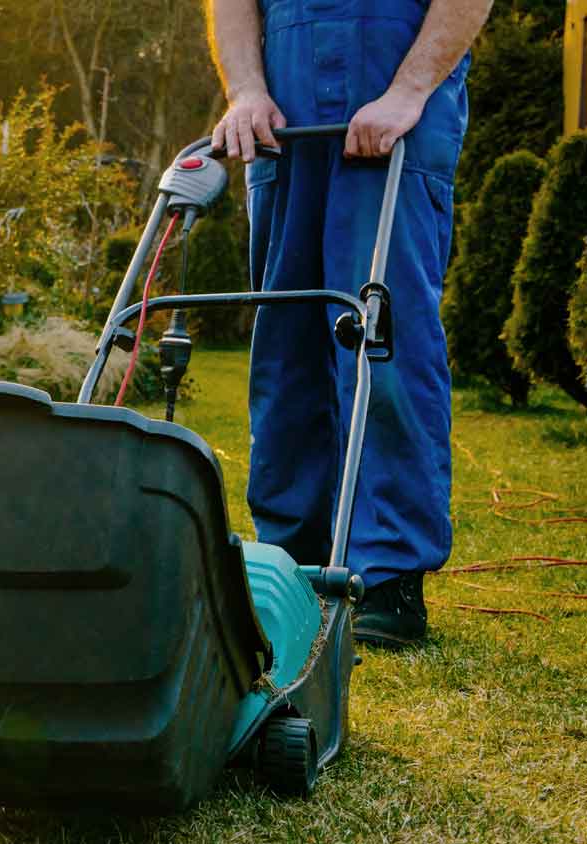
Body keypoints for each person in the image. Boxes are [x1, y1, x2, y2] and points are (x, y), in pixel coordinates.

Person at [205, 0, 494, 646]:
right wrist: (246, 89)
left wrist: (409, 92)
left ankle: (386, 573)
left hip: (391, 107)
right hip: (283, 118)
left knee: (384, 340)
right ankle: (291, 561)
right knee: (285, 349)